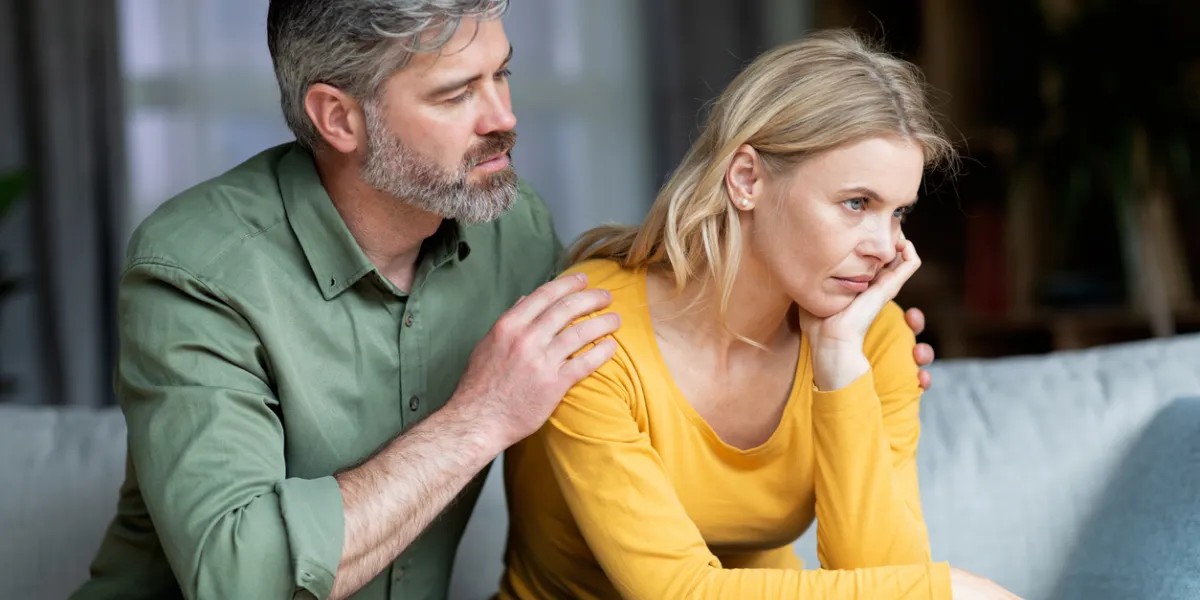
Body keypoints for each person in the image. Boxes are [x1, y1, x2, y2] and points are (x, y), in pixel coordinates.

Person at [71, 3, 936, 600]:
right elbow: (240, 579)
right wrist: (481, 417)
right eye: (456, 93)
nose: (504, 118)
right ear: (339, 118)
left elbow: (649, 362)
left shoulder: (512, 231)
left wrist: (846, 380)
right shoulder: (197, 267)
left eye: (503, 75)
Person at [499, 30, 1022, 600]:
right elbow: (676, 593)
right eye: (857, 203)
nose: (885, 247)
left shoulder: (870, 337)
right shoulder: (592, 332)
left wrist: (839, 365)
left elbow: (882, 574)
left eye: (898, 213)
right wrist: (950, 591)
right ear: (747, 178)